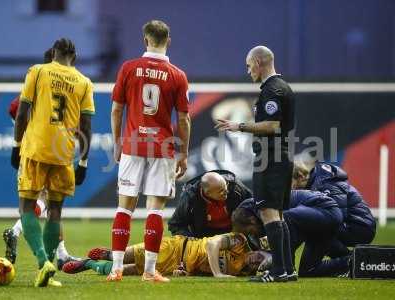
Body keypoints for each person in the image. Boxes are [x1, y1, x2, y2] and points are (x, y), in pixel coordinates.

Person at [109, 20, 191, 283]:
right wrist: (184, 153)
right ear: (169, 40)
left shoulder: (128, 68)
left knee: (124, 208)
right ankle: (148, 272)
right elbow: (185, 119)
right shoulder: (178, 75)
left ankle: (116, 269)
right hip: (163, 148)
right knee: (155, 210)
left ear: (145, 41)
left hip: (132, 144)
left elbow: (116, 109)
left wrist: (117, 143)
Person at [13, 38, 94, 287]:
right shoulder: (84, 82)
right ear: (75, 55)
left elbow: (22, 112)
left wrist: (16, 145)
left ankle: (42, 261)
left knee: (27, 207)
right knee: (55, 211)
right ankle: (48, 268)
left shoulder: (37, 71)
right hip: (63, 153)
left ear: (54, 52)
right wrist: (84, 161)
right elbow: (86, 126)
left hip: (36, 148)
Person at [215, 46, 296, 282]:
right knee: (277, 215)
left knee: (268, 213)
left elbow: (271, 126)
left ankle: (279, 270)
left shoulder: (272, 89)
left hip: (271, 158)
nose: (248, 70)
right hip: (279, 156)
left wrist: (238, 126)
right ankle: (287, 269)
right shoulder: (282, 88)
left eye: (249, 65)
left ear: (259, 62)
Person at [3, 48, 75, 269]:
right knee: (50, 203)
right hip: (44, 151)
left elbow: (14, 108)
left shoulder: (37, 84)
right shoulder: (54, 85)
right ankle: (16, 231)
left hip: (32, 149)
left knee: (44, 203)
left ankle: (61, 253)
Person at [232, 190, 346, 277]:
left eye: (250, 231)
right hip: (315, 227)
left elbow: (285, 233)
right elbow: (291, 236)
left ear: (252, 220)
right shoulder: (253, 216)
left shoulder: (264, 208)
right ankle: (352, 260)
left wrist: (279, 261)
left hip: (326, 211)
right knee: (307, 270)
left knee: (283, 218)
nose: (254, 234)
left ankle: (286, 268)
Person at [62, 233, 270, 278]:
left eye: (258, 264)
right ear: (259, 250)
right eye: (259, 256)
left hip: (179, 266)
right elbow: (213, 244)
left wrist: (187, 273)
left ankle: (88, 264)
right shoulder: (239, 242)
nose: (255, 261)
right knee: (124, 257)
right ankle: (105, 254)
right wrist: (218, 273)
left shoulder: (240, 272)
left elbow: (202, 270)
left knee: (131, 272)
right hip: (177, 247)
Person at [292, 162, 376, 258]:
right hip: (351, 224)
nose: (289, 187)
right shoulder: (317, 183)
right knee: (308, 222)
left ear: (301, 177)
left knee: (312, 225)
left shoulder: (327, 184)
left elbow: (337, 217)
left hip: (361, 227)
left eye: (289, 181)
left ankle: (350, 261)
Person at [168, 170, 252, 237]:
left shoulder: (235, 187)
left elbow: (254, 207)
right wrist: (194, 242)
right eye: (221, 191)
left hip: (236, 231)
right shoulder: (190, 197)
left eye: (226, 186)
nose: (226, 191)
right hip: (205, 236)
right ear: (208, 193)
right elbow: (175, 224)